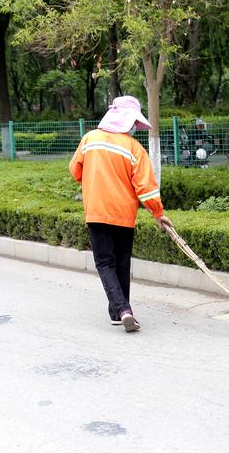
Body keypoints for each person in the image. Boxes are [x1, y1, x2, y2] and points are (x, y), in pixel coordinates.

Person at [69, 95, 173, 333]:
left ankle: (121, 310)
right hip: (124, 216)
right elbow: (146, 189)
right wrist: (158, 214)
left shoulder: (89, 139)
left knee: (105, 263)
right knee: (122, 262)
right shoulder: (134, 149)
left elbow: (75, 171)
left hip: (96, 212)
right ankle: (121, 311)